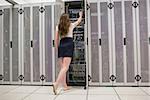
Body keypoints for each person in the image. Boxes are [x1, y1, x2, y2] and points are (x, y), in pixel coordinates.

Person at [53, 11, 83, 95]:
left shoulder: (58, 27)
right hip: (69, 45)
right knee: (65, 67)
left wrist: (57, 48)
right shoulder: (71, 25)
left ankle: (65, 85)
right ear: (67, 19)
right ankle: (56, 84)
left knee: (63, 67)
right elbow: (79, 21)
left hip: (61, 46)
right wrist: (80, 15)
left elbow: (56, 39)